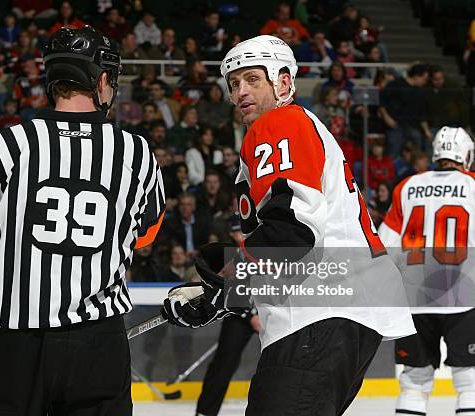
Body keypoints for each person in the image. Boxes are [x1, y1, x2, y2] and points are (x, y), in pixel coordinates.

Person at [162, 35, 415, 415]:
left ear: (283, 82)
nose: (240, 91)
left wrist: (227, 283)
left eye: (252, 79)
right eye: (234, 84)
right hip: (339, 311)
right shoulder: (296, 127)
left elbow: (293, 229)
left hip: (319, 312)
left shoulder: (280, 122)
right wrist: (219, 294)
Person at [0, 26, 165, 416]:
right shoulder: (137, 154)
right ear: (103, 80)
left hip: (10, 344)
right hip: (98, 345)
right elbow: (144, 237)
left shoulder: (5, 147)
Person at [378, 126, 475, 416]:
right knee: (469, 382)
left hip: (415, 298)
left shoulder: (407, 187)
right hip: (464, 296)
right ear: (466, 155)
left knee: (414, 381)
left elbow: (385, 245)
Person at [196, 222, 259, 416]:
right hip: (239, 314)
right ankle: (206, 412)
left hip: (269, 311)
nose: (239, 235)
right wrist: (251, 315)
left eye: (242, 231)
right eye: (235, 231)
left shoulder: (263, 246)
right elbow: (230, 291)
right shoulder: (229, 257)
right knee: (224, 362)